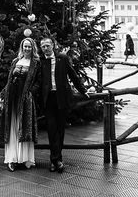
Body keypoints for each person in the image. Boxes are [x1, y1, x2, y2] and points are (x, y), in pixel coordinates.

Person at [40, 36, 89, 173]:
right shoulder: (40, 60)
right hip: (48, 99)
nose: (45, 48)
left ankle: (55, 160)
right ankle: (56, 160)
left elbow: (73, 75)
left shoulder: (62, 58)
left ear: (53, 45)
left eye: (47, 45)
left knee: (60, 129)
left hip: (62, 97)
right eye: (43, 46)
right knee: (51, 129)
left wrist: (82, 90)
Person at [0, 37, 40, 172]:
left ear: (33, 48)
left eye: (29, 46)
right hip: (12, 98)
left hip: (25, 99)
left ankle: (25, 158)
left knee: (25, 128)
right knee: (12, 127)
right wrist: (3, 94)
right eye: (25, 46)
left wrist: (30, 93)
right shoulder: (16, 61)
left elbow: (39, 82)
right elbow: (9, 80)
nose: (27, 49)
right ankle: (12, 159)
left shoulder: (35, 63)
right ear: (22, 48)